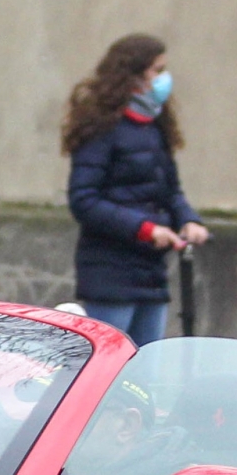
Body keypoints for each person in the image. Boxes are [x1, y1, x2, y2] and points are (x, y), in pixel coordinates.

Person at [62, 33, 207, 346]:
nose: (164, 79)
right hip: (110, 274)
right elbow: (84, 200)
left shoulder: (155, 128)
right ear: (132, 74)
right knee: (110, 369)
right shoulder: (101, 129)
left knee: (144, 373)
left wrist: (189, 219)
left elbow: (170, 190)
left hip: (151, 274)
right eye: (157, 70)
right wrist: (144, 229)